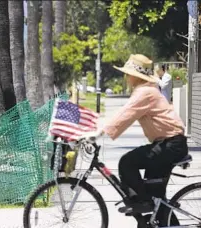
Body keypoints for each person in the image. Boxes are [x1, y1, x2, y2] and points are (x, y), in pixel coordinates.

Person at [79, 54, 189, 215]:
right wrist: (98, 128)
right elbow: (123, 113)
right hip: (168, 144)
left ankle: (142, 202)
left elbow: (125, 114)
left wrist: (97, 134)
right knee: (154, 191)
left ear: (135, 76)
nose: (126, 77)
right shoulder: (145, 90)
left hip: (171, 145)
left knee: (127, 162)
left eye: (128, 74)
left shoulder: (145, 92)